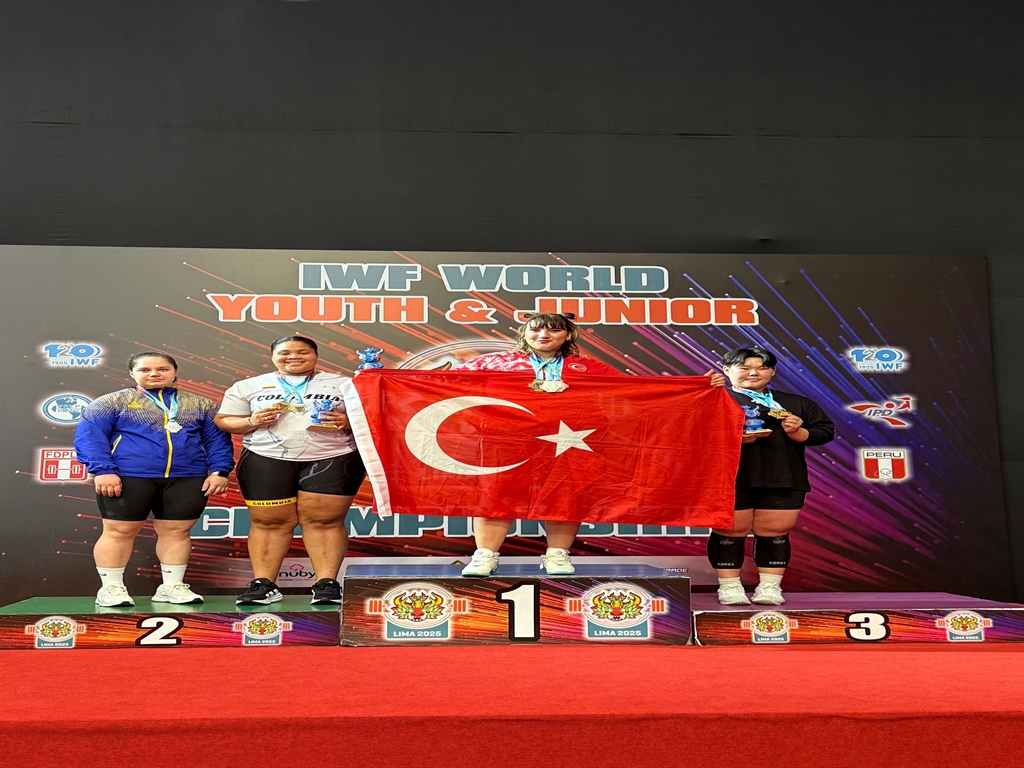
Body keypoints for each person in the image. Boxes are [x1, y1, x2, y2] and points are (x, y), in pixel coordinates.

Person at [452, 313, 725, 576]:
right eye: (536, 329)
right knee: (496, 495)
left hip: (570, 442)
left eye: (553, 329)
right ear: (524, 333)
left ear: (568, 335)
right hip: (506, 441)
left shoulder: (589, 368)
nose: (543, 335)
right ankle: (485, 555)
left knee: (565, 495)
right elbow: (449, 382)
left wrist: (697, 385)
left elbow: (637, 389)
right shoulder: (494, 362)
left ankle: (557, 554)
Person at [74, 352, 234, 607]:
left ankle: (171, 587)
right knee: (119, 531)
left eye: (162, 369)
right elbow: (90, 437)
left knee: (177, 532)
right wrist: (103, 470)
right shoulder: (112, 402)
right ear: (132, 373)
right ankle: (111, 589)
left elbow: (218, 440)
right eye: (145, 369)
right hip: (129, 475)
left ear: (175, 372)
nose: (154, 374)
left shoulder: (200, 404)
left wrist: (219, 471)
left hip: (187, 476)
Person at [215, 336, 365, 605]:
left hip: (333, 458)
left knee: (324, 522)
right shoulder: (249, 385)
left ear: (316, 355)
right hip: (266, 458)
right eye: (285, 352)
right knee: (269, 523)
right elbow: (224, 421)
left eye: (302, 352)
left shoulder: (346, 384)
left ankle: (327, 584)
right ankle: (264, 585)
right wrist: (251, 420)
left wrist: (349, 421)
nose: (293, 356)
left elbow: (374, 419)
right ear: (273, 356)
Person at [708, 347, 835, 605]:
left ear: (773, 371)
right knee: (729, 530)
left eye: (762, 368)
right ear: (727, 370)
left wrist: (798, 432)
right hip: (726, 478)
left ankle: (770, 587)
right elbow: (682, 430)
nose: (753, 373)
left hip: (783, 476)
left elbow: (825, 432)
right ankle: (729, 587)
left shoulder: (796, 403)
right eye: (744, 367)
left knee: (774, 530)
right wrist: (730, 438)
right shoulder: (712, 399)